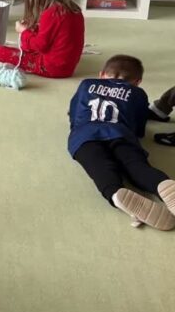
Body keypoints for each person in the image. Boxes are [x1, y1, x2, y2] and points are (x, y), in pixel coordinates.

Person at [68, 54, 175, 229]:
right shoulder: (138, 93)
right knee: (136, 166)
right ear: (137, 81)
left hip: (85, 136)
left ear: (101, 74)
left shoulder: (86, 84)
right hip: (120, 133)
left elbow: (73, 114)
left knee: (100, 167)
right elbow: (139, 128)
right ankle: (161, 184)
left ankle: (115, 192)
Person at [0, 0, 84, 78]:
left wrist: (23, 31)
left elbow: (40, 46)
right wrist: (33, 28)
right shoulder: (73, 8)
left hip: (51, 68)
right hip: (68, 66)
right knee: (29, 39)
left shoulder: (51, 13)